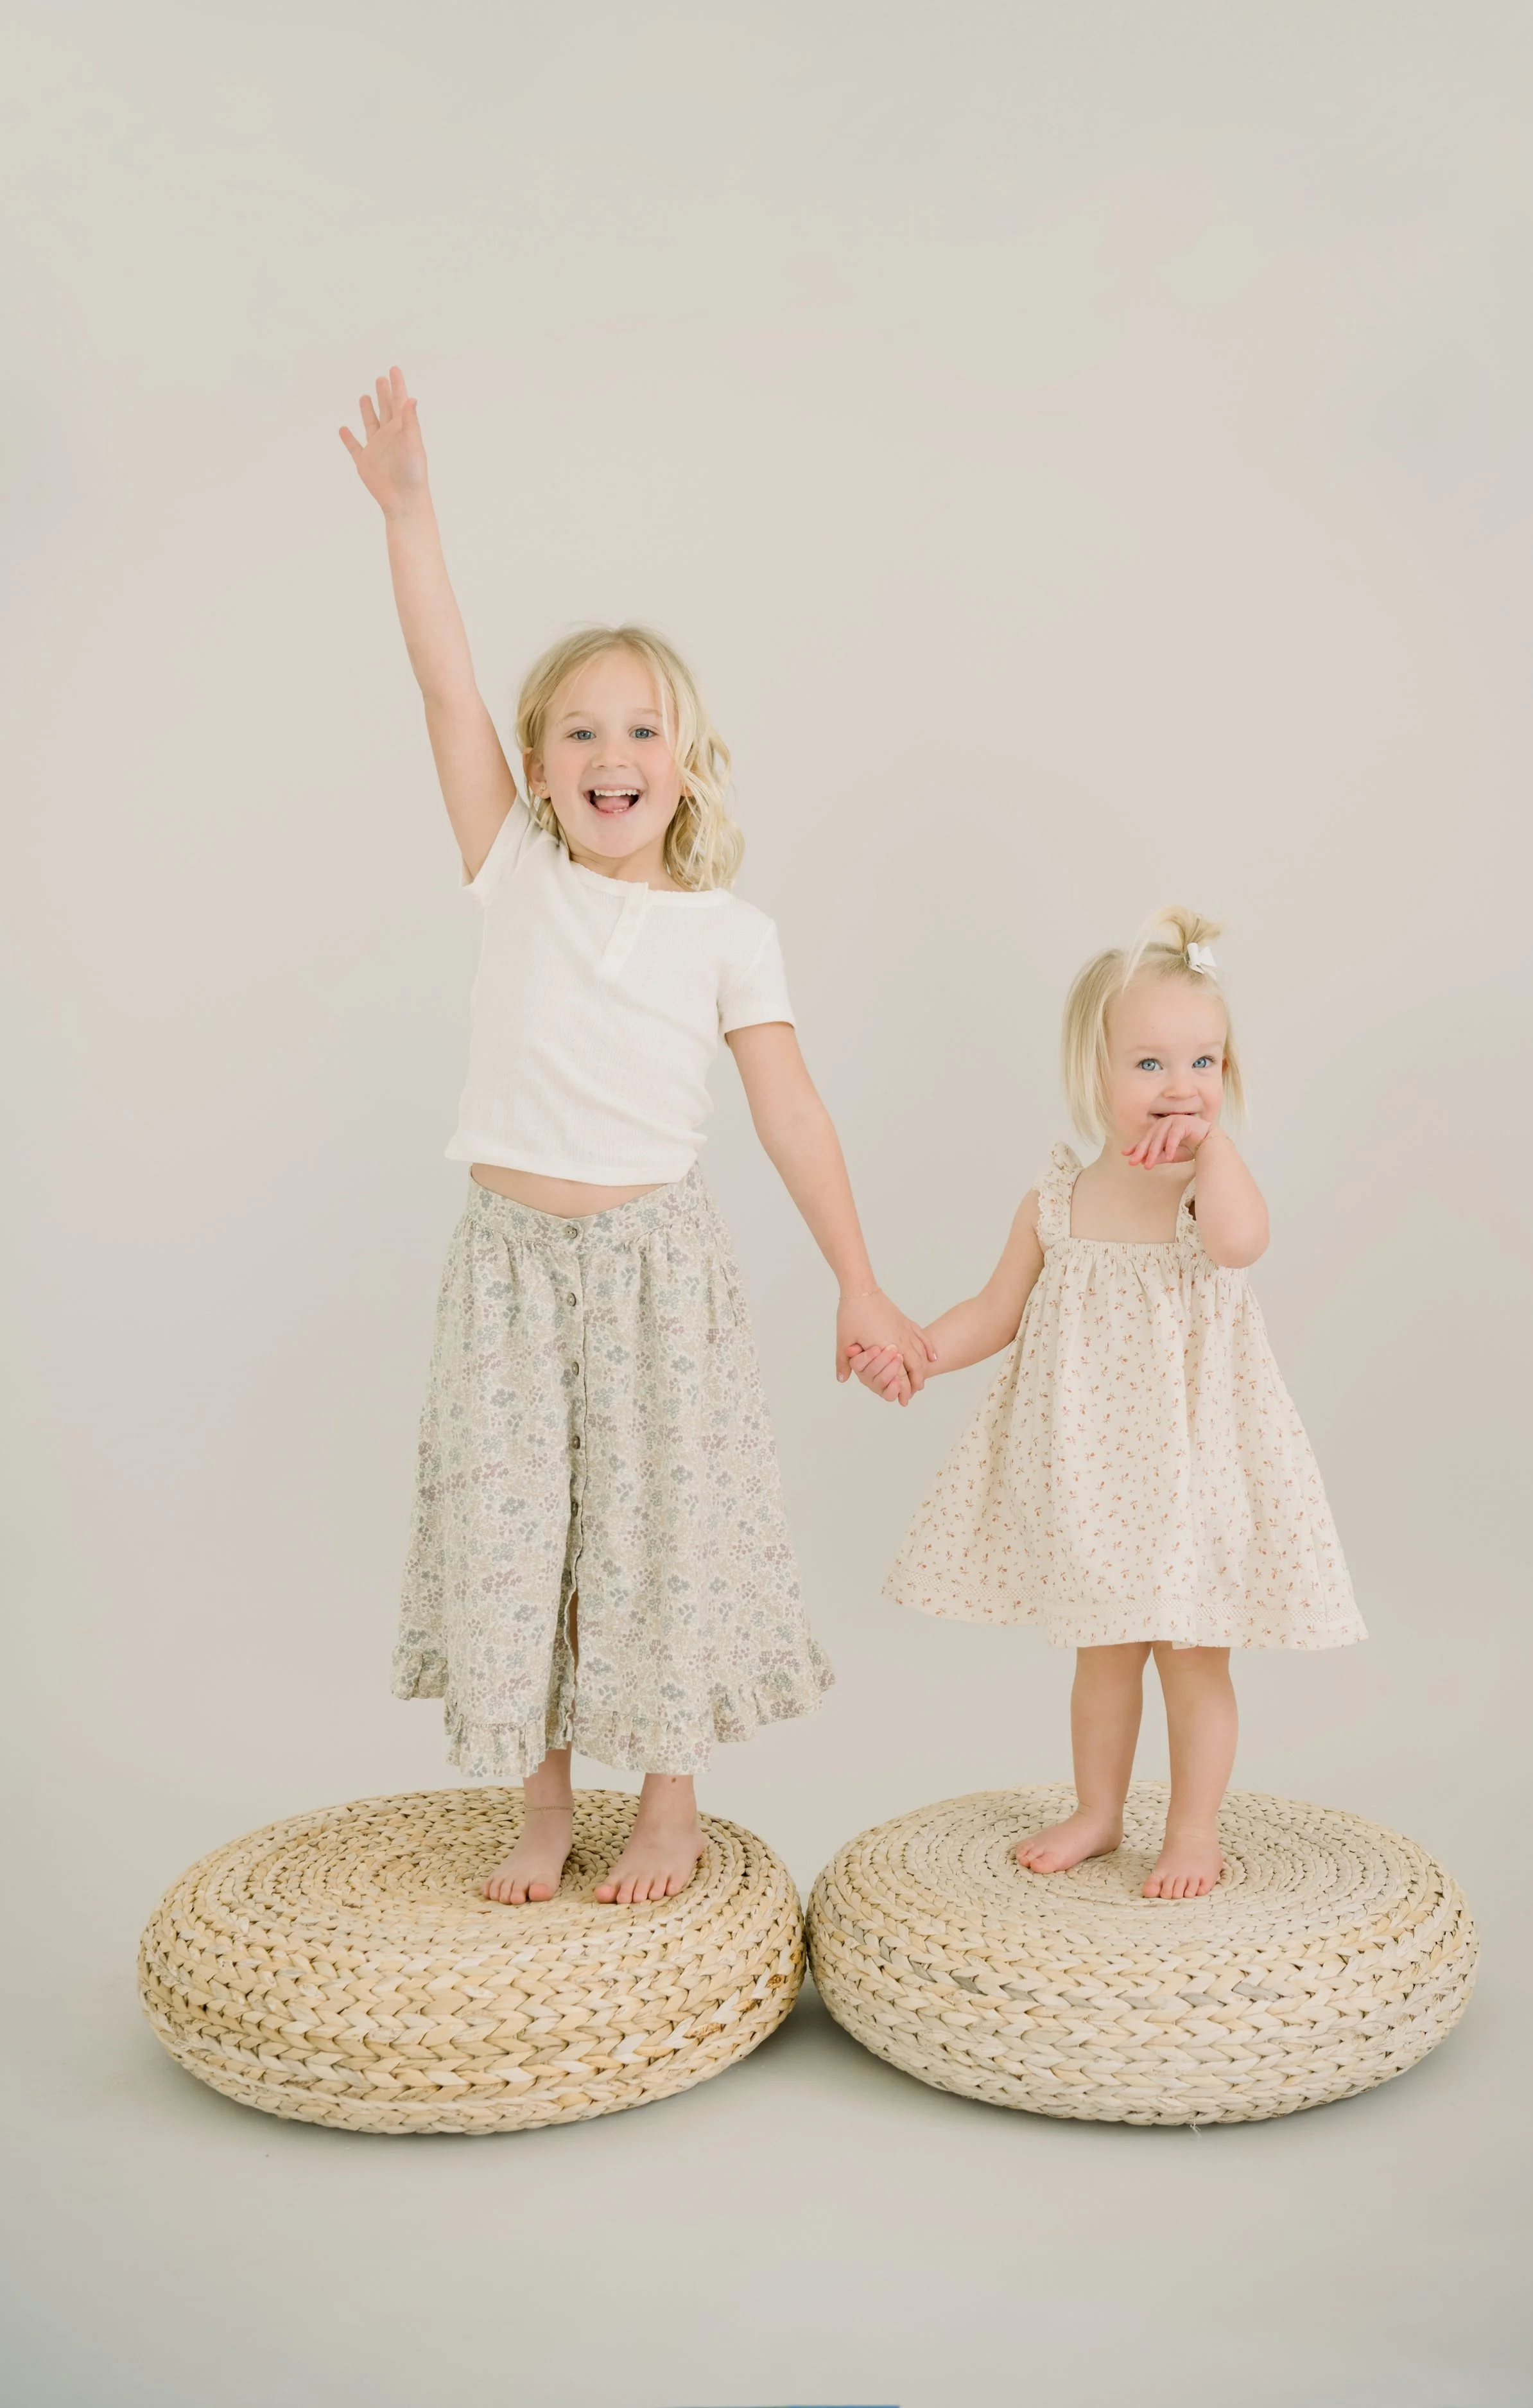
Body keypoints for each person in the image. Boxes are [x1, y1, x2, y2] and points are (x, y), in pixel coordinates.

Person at [340, 369, 931, 1906]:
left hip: (654, 1274)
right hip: (509, 1272)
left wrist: (860, 1283)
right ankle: (542, 1806)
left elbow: (789, 1111)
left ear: (686, 758)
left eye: (642, 730)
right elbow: (443, 688)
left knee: (656, 1539)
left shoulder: (727, 932)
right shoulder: (513, 871)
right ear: (539, 767)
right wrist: (410, 512)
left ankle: (668, 1806)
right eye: (579, 732)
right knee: (516, 1538)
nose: (612, 754)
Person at [849, 908, 1364, 1899]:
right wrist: (918, 1352)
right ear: (1096, 1072)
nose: (1181, 1085)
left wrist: (1214, 1152)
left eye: (1204, 1062)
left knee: (1193, 1660)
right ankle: (1098, 1809)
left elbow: (1242, 1243)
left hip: (1192, 1466)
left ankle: (1194, 1829)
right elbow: (995, 1312)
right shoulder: (1059, 1196)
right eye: (1150, 1063)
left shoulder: (1207, 1189)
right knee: (1103, 1659)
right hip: (1096, 1474)